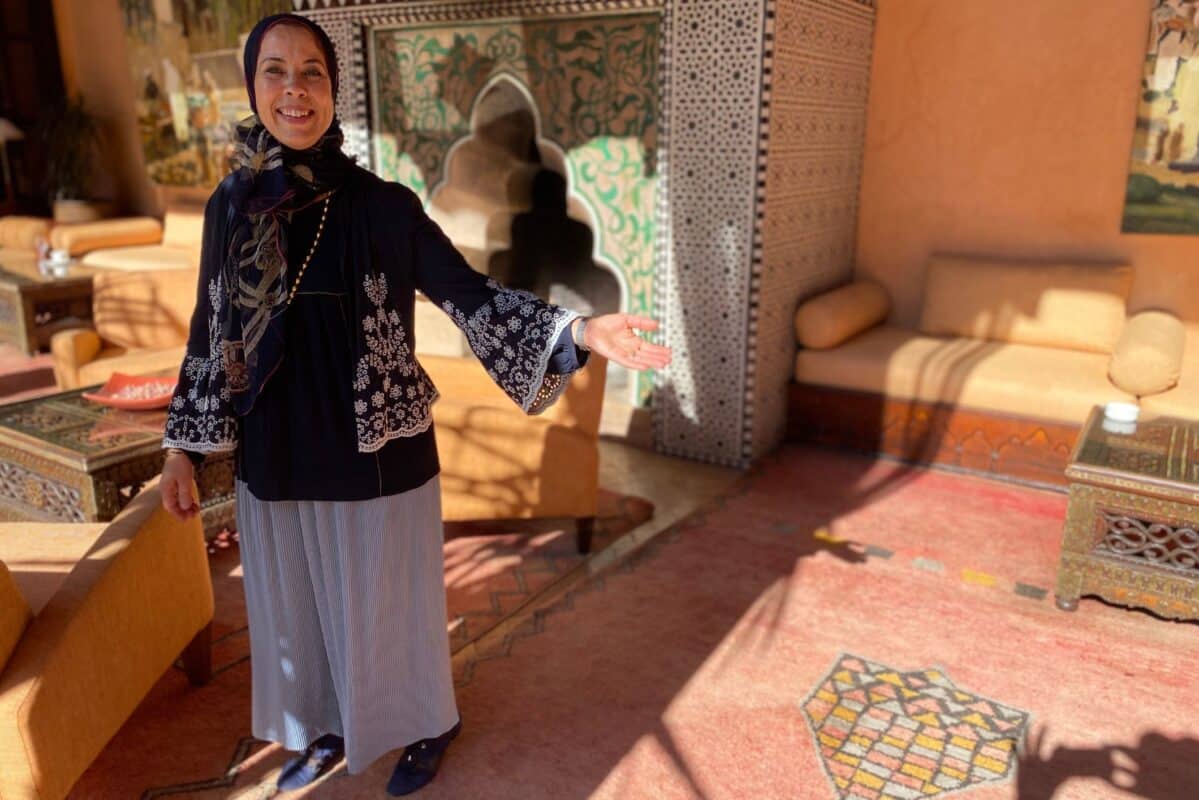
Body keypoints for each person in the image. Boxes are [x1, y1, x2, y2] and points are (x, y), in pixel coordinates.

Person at [157, 13, 671, 797]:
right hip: (277, 440)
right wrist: (180, 448)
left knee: (389, 611)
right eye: (275, 71)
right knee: (299, 604)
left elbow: (467, 294)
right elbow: (211, 321)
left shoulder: (382, 206)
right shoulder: (230, 204)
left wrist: (582, 329)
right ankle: (327, 726)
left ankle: (428, 721)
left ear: (332, 91)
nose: (294, 90)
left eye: (312, 73)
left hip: (375, 448)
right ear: (252, 84)